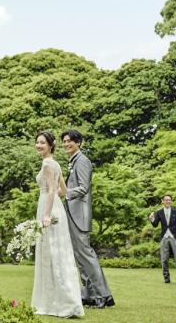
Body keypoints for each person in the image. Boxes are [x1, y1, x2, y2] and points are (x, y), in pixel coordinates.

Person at [31, 131, 84, 318]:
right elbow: (64, 191)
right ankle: (64, 300)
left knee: (51, 254)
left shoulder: (47, 164)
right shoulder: (56, 164)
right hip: (56, 208)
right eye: (37, 142)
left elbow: (54, 190)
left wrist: (46, 215)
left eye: (42, 143)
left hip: (48, 208)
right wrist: (53, 206)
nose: (39, 145)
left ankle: (59, 302)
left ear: (50, 145)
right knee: (58, 253)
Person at [62, 129, 115, 308]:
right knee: (80, 257)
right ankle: (88, 294)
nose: (66, 144)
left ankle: (103, 295)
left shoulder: (83, 161)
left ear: (79, 143)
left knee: (87, 255)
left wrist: (65, 193)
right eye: (64, 141)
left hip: (80, 215)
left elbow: (84, 188)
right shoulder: (73, 161)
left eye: (70, 141)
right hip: (72, 214)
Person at [149, 194, 176, 285]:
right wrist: (152, 219)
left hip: (174, 237)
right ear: (162, 201)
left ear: (171, 201)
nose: (168, 201)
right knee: (164, 259)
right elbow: (155, 225)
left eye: (169, 200)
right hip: (164, 237)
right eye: (166, 200)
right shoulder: (159, 212)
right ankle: (166, 278)